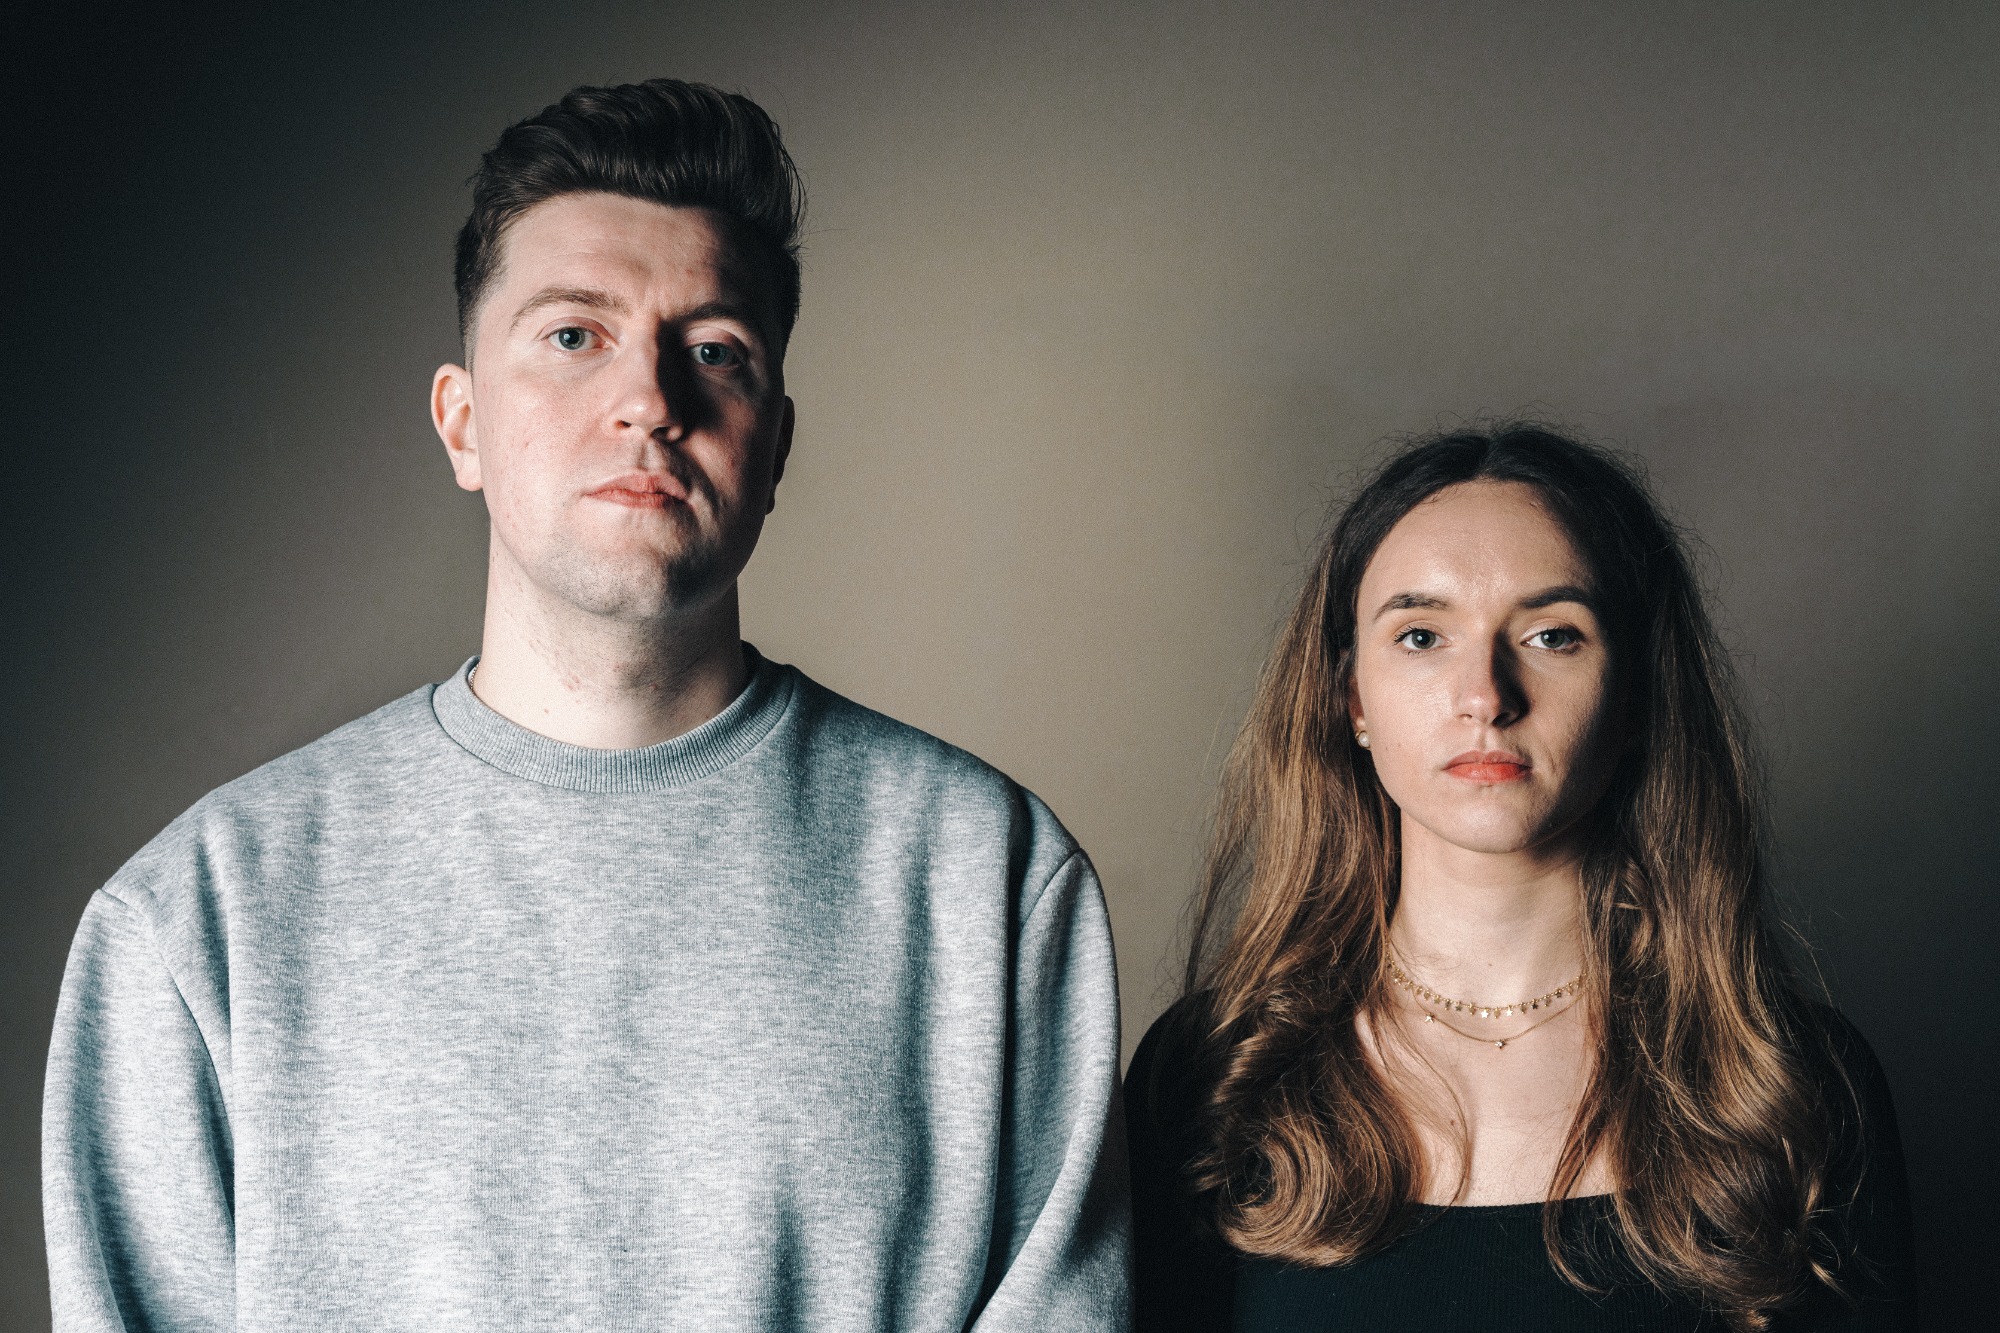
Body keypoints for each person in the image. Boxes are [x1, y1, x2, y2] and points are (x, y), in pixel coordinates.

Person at [43, 78, 1129, 1332]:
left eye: (713, 351)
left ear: (774, 447)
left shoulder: (987, 878)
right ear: (462, 423)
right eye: (573, 336)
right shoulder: (198, 919)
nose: (650, 400)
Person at [1125, 425, 1915, 1331]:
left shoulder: (1794, 1084)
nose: (1486, 696)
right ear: (1352, 699)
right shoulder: (1211, 1075)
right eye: (1422, 635)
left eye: (1552, 634)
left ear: (1635, 697)